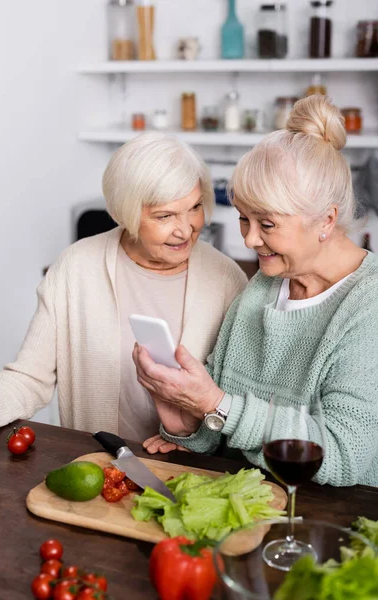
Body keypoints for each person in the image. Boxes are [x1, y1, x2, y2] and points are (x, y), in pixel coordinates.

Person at [134, 96, 378, 487]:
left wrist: (214, 403)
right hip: (246, 503)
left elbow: (342, 454)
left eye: (267, 224)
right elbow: (222, 426)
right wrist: (185, 422)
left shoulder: (369, 305)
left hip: (330, 520)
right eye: (244, 219)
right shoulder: (262, 287)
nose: (249, 239)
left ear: (326, 220)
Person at [0, 133, 247, 441]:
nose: (185, 229)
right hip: (95, 473)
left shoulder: (226, 279)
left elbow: (234, 404)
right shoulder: (76, 267)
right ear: (126, 211)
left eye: (195, 207)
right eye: (165, 216)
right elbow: (29, 379)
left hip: (190, 474)